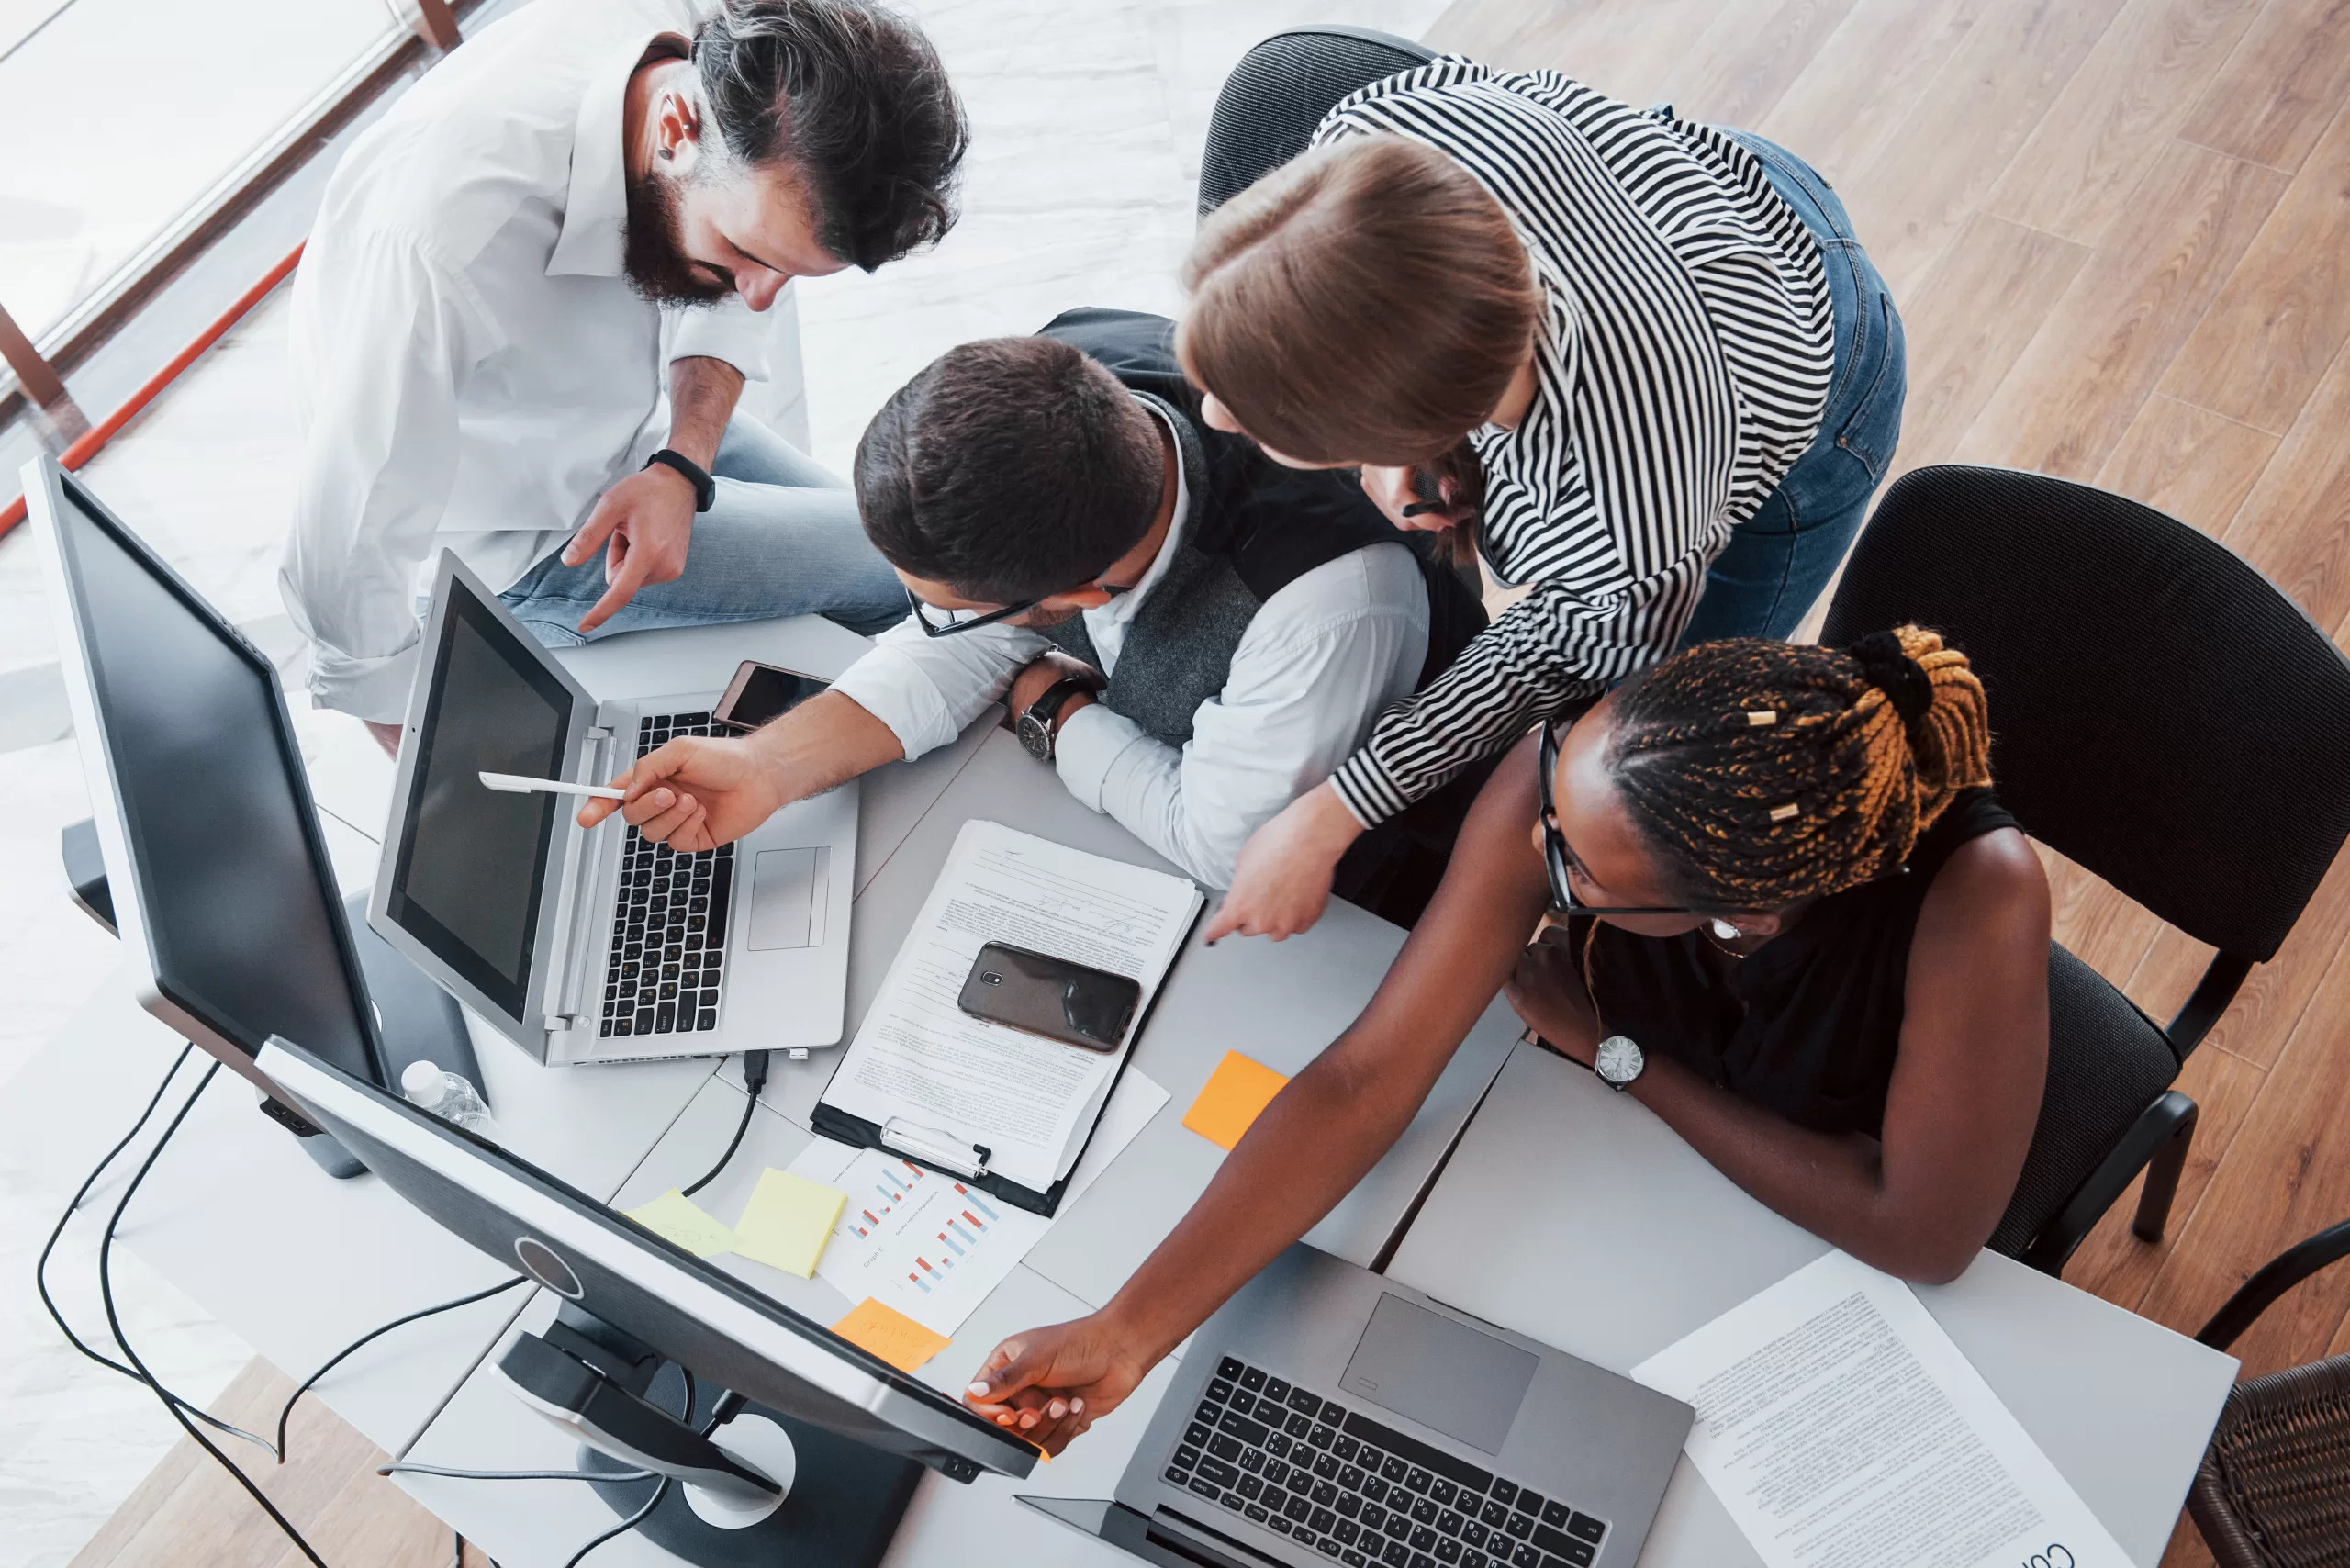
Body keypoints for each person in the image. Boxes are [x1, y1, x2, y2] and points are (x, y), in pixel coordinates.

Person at [958, 627, 2050, 1451]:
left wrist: (1619, 1057)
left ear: (1742, 913)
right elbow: (1365, 1077)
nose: (1535, 846)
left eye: (1573, 870)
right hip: (1602, 1187)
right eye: (1553, 803)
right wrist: (1127, 1332)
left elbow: (1921, 1234)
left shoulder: (1978, 897)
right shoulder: (1592, 769)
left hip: (1798, 1257)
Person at [1181, 56, 1908, 944]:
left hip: (1812, 351)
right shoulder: (1375, 130)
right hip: (1711, 189)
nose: (1213, 415)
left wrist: (1333, 811)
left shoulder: (1630, 514)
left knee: (1662, 756)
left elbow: (1549, 655)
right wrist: (1407, 444)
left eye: (1257, 418)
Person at [576, 308, 1484, 891]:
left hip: (1371, 875)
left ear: (1083, 594)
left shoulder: (1326, 603)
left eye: (948, 607)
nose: (928, 624)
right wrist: (767, 767)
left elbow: (1220, 844)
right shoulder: (1058, 385)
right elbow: (969, 643)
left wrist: (1055, 714)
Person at [280, 0, 968, 748]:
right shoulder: (440, 248)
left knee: (925, 541)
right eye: (745, 254)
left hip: (627, 428)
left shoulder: (708, 54)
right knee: (923, 569)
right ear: (675, 128)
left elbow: (736, 282)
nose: (758, 298)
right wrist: (427, 769)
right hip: (526, 541)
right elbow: (340, 556)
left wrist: (683, 463)